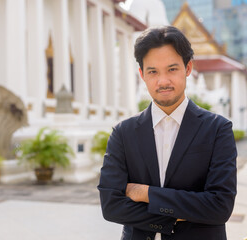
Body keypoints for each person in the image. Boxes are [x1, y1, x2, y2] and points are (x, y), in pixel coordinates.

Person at [97, 26, 237, 240]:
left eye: (172, 69)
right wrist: (177, 218)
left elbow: (219, 207)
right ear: (142, 74)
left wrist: (146, 194)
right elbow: (111, 206)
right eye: (153, 71)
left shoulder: (218, 129)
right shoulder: (123, 133)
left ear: (188, 68)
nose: (163, 81)